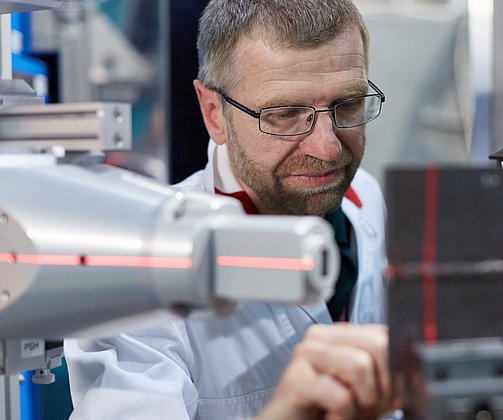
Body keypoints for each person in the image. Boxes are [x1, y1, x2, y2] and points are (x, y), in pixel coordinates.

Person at [64, 0, 394, 419]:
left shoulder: (367, 199)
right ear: (213, 112)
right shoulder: (138, 274)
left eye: (347, 105)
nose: (327, 148)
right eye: (285, 115)